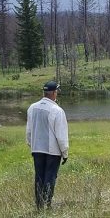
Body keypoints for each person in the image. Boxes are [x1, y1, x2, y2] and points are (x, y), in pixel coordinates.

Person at [26, 81, 69, 211]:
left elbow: (28, 131)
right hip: (53, 151)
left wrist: (31, 144)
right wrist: (65, 152)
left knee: (39, 177)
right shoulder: (57, 110)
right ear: (54, 93)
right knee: (50, 177)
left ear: (44, 93)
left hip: (37, 149)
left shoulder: (32, 108)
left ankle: (39, 205)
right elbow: (61, 135)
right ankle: (47, 204)